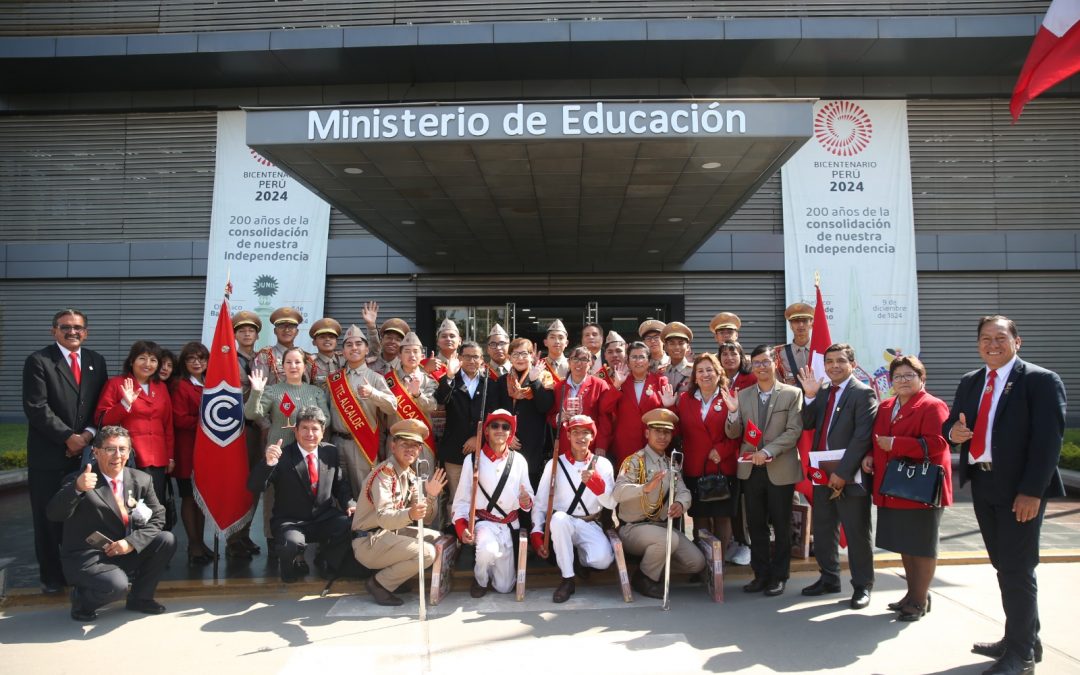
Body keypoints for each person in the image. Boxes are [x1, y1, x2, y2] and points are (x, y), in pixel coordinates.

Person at [945, 316, 1066, 675]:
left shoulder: (1040, 381)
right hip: (983, 485)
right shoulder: (971, 381)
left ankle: (1021, 656)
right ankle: (1026, 638)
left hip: (1020, 491)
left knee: (1017, 568)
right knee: (1005, 566)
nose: (992, 344)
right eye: (985, 338)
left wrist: (1032, 492)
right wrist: (954, 432)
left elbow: (1048, 443)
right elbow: (950, 424)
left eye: (1000, 337)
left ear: (1017, 342)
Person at [47, 426, 176, 622]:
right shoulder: (79, 480)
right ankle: (82, 601)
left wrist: (131, 542)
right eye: (110, 449)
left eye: (123, 449)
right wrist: (77, 489)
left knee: (166, 539)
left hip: (123, 549)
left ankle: (140, 598)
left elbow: (158, 516)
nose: (117, 455)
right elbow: (54, 514)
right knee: (117, 586)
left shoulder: (141, 479)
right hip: (89, 557)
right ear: (95, 452)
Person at [23, 308, 109, 594]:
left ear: (86, 331)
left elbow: (101, 405)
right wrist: (67, 437)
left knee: (84, 516)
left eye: (78, 327)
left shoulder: (97, 361)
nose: (72, 332)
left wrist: (86, 436)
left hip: (85, 454)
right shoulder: (39, 361)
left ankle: (81, 571)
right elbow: (36, 407)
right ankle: (52, 576)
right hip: (49, 454)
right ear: (54, 331)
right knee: (48, 516)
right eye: (66, 327)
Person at [860, 355, 951, 621]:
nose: (903, 381)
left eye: (909, 375)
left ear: (922, 378)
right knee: (905, 545)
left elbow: (938, 444)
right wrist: (869, 454)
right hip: (893, 486)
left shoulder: (933, 405)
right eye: (897, 376)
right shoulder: (887, 405)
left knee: (922, 547)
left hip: (922, 488)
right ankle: (912, 594)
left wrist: (896, 444)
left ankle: (920, 599)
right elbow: (876, 440)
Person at [797, 343, 878, 609]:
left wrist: (843, 473)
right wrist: (809, 397)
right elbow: (808, 423)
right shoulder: (822, 392)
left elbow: (862, 437)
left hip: (850, 476)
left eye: (840, 361)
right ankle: (829, 578)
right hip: (822, 473)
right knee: (823, 530)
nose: (834, 366)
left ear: (852, 364)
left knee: (856, 533)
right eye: (829, 361)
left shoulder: (863, 393)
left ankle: (862, 586)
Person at [722, 345, 803, 597]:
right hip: (750, 470)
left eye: (765, 362)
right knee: (755, 525)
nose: (760, 367)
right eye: (756, 363)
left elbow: (793, 431)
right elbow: (733, 433)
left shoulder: (792, 393)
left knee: (781, 524)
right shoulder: (743, 395)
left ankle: (779, 576)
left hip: (780, 468)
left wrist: (768, 452)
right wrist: (733, 413)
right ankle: (760, 574)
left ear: (774, 363)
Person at [247, 406, 355, 582]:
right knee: (291, 545)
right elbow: (255, 486)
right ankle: (290, 570)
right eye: (304, 428)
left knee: (352, 524)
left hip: (323, 518)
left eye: (314, 429)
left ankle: (327, 560)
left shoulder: (330, 451)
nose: (309, 433)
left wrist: (350, 504)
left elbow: (340, 484)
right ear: (296, 431)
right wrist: (267, 464)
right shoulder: (282, 456)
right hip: (291, 521)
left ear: (322, 432)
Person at [245, 346, 331, 555]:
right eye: (288, 362)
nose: (293, 366)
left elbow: (326, 419)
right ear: (282, 367)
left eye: (297, 362)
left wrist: (304, 426)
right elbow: (251, 414)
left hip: (308, 455)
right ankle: (274, 543)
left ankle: (302, 543)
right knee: (274, 500)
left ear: (305, 366)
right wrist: (256, 391)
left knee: (306, 498)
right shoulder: (273, 391)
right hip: (279, 454)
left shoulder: (316, 392)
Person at [352, 419, 448, 606]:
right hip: (370, 541)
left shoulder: (410, 474)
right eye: (405, 444)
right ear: (393, 445)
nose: (410, 450)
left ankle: (395, 577)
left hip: (389, 534)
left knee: (437, 540)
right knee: (426, 553)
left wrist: (430, 496)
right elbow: (386, 519)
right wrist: (410, 514)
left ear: (420, 450)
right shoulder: (384, 475)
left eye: (415, 446)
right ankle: (379, 584)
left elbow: (426, 519)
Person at [613, 408, 706, 599]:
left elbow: (684, 491)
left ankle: (653, 564)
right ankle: (644, 578)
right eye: (657, 431)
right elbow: (618, 493)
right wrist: (644, 488)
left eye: (667, 432)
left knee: (696, 563)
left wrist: (680, 503)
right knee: (666, 540)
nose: (662, 437)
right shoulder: (634, 461)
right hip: (633, 529)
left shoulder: (671, 464)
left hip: (662, 527)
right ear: (647, 433)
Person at [531, 414, 616, 603]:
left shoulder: (603, 464)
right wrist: (536, 531)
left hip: (590, 522)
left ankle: (576, 560)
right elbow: (540, 503)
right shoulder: (555, 463)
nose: (580, 437)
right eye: (575, 432)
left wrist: (598, 486)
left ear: (592, 437)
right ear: (568, 436)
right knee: (559, 519)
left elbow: (611, 503)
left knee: (602, 561)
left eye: (586, 432)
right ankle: (567, 579)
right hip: (563, 523)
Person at [452, 410, 535, 597]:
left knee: (505, 587)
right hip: (485, 522)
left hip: (509, 524)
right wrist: (461, 526)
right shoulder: (472, 460)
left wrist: (526, 501)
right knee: (487, 550)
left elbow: (529, 496)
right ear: (486, 431)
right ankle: (480, 579)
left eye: (505, 427)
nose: (500, 430)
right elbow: (462, 500)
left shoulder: (519, 460)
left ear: (511, 433)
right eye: (495, 426)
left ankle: (493, 572)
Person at [675, 353, 740, 553]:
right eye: (700, 371)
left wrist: (722, 450)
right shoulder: (685, 399)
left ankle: (719, 567)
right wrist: (669, 405)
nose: (705, 374)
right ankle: (704, 563)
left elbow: (740, 432)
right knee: (700, 518)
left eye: (709, 370)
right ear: (694, 376)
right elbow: (677, 432)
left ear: (718, 373)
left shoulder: (730, 396)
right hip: (695, 467)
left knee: (722, 517)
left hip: (723, 466)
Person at [95, 340, 174, 502]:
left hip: (158, 457)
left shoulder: (161, 387)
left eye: (153, 360)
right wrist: (125, 404)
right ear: (132, 361)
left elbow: (167, 424)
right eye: (142, 358)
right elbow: (102, 420)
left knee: (155, 505)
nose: (148, 364)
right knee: (130, 505)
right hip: (128, 456)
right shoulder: (116, 384)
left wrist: (170, 456)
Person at [326, 325, 397, 499]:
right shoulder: (334, 379)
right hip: (336, 443)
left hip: (362, 443)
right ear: (342, 351)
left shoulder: (375, 378)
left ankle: (365, 527)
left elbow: (392, 406)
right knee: (337, 493)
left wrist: (373, 393)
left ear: (366, 349)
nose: (354, 348)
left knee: (364, 493)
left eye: (359, 344)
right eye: (349, 345)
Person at [436, 341, 498, 518]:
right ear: (460, 358)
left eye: (476, 356)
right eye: (467, 356)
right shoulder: (450, 380)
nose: (472, 360)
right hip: (455, 450)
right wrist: (448, 375)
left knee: (482, 495)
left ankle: (476, 532)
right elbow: (441, 399)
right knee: (456, 497)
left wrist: (478, 438)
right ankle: (456, 534)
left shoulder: (490, 384)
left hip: (483, 450)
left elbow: (493, 416)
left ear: (482, 359)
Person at [170, 341, 215, 565]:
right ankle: (193, 543)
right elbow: (179, 418)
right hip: (188, 449)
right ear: (184, 362)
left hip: (207, 450)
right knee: (189, 497)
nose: (197, 362)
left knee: (202, 499)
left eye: (201, 358)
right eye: (191, 359)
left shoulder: (212, 384)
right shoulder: (181, 385)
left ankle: (201, 542)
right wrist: (206, 421)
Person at [495, 337, 555, 488]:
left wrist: (535, 381)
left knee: (530, 489)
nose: (520, 358)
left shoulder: (543, 376)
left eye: (524, 354)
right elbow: (495, 411)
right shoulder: (502, 381)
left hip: (533, 444)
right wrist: (508, 435)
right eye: (515, 355)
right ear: (509, 357)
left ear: (531, 356)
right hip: (507, 442)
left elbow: (545, 407)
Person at [229, 309, 264, 558]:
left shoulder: (264, 359)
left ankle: (245, 533)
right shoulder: (227, 359)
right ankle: (233, 537)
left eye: (251, 330)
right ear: (235, 334)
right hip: (237, 428)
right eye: (242, 330)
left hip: (260, 427)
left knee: (255, 484)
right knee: (237, 484)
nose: (247, 333)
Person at [608, 341, 674, 469]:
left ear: (649, 361)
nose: (638, 361)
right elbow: (606, 408)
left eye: (642, 357)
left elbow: (671, 417)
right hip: (626, 444)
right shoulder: (621, 381)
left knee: (654, 484)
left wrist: (668, 406)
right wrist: (616, 386)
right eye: (634, 357)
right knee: (629, 485)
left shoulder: (660, 381)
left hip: (654, 443)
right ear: (627, 361)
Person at [548, 345, 617, 458]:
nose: (578, 363)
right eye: (575, 359)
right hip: (566, 444)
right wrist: (560, 417)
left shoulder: (599, 384)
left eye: (584, 359)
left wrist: (602, 445)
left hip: (591, 444)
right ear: (569, 362)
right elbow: (550, 417)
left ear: (590, 363)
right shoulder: (559, 387)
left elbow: (605, 418)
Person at [386, 331, 439, 469]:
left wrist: (417, 394)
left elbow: (432, 405)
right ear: (399, 355)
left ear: (422, 356)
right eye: (407, 351)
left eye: (416, 352)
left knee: (423, 483)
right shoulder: (388, 380)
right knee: (394, 484)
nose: (412, 355)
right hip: (395, 440)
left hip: (421, 441)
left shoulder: (429, 381)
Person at [252, 307, 305, 385]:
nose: (286, 330)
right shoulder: (265, 356)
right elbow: (259, 387)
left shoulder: (304, 356)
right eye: (281, 326)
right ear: (275, 331)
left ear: (297, 332)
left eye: (291, 327)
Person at [361, 300, 409, 376]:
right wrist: (371, 325)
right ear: (381, 340)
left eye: (398, 339)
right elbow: (374, 344)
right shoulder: (368, 364)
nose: (392, 341)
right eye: (389, 337)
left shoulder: (406, 366)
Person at [774, 302, 814, 389]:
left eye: (805, 321)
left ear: (811, 323)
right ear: (790, 325)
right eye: (796, 321)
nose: (800, 325)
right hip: (790, 400)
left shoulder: (820, 352)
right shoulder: (779, 353)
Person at [306, 317, 346, 386]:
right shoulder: (310, 364)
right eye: (322, 337)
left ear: (336, 342)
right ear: (314, 342)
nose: (327, 339)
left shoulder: (344, 359)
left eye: (331, 337)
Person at [662, 322, 694, 395]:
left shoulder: (695, 371)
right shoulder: (660, 371)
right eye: (672, 343)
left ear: (688, 347)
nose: (676, 347)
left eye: (681, 343)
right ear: (665, 347)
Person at [542, 319, 570, 383]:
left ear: (566, 343)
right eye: (552, 337)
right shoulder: (539, 365)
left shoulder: (573, 365)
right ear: (545, 342)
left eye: (561, 338)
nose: (557, 341)